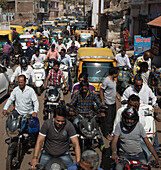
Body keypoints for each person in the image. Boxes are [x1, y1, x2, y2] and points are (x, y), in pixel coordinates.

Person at [100, 67, 120, 140]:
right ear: (114, 74)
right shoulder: (106, 81)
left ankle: (111, 131)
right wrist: (103, 101)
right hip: (108, 102)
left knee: (113, 118)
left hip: (113, 102)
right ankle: (106, 133)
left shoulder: (113, 80)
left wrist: (117, 95)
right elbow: (101, 91)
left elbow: (114, 89)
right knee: (108, 119)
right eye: (117, 73)